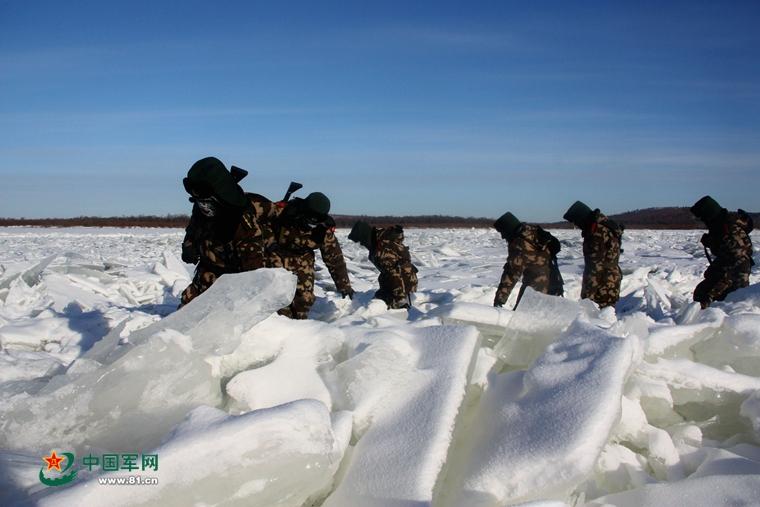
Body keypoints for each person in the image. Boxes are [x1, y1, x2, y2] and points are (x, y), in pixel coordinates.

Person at [179, 157, 280, 307]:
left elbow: (254, 277)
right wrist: (189, 244)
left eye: (204, 197)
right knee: (186, 315)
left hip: (235, 277)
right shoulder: (203, 204)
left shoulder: (243, 225)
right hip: (208, 270)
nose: (202, 205)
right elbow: (194, 225)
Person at [267, 192, 353, 319]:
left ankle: (302, 329)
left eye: (316, 220)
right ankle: (277, 329)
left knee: (304, 300)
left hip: (303, 260)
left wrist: (345, 287)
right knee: (277, 300)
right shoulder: (283, 212)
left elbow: (335, 258)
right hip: (276, 255)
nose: (312, 224)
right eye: (309, 219)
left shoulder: (324, 229)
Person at [690, 195, 754, 309]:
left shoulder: (728, 231)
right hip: (730, 270)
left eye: (702, 217)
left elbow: (736, 264)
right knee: (702, 293)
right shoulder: (720, 226)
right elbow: (724, 253)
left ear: (709, 215)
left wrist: (711, 294)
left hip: (736, 276)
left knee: (707, 298)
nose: (702, 221)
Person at [493, 212, 563, 308]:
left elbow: (511, 273)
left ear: (509, 229)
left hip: (536, 290)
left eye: (502, 232)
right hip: (555, 284)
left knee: (520, 319)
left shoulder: (519, 244)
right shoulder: (534, 232)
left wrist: (499, 300)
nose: (502, 237)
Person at [563, 201, 624, 308]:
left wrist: (587, 298)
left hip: (602, 286)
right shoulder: (606, 225)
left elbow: (595, 268)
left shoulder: (597, 233)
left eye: (575, 222)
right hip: (611, 281)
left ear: (581, 218)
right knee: (607, 318)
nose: (576, 226)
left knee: (598, 321)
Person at [348, 221, 418, 309]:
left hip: (403, 282)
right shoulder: (378, 242)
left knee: (385, 304)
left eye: (361, 241)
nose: (361, 244)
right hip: (398, 279)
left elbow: (394, 274)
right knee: (378, 299)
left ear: (365, 236)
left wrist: (399, 299)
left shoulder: (382, 250)